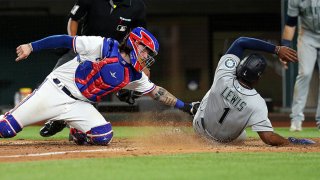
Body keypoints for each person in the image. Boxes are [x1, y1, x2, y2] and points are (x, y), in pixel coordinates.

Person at [0, 27, 197, 145]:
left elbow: (157, 93)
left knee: (103, 136)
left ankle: (76, 129)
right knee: (6, 129)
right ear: (136, 44)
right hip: (56, 90)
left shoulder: (134, 75)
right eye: (146, 52)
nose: (147, 58)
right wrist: (31, 47)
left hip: (79, 104)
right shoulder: (103, 46)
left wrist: (187, 107)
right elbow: (65, 40)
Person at [40, 0, 149, 137]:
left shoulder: (137, 6)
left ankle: (81, 128)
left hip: (111, 56)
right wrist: (73, 43)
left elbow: (140, 38)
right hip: (85, 49)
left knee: (92, 93)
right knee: (56, 76)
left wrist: (141, 65)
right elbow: (73, 19)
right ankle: (57, 119)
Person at [192, 37, 315, 146]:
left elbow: (241, 42)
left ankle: (196, 107)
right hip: (222, 142)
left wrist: (277, 49)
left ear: (240, 67)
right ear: (258, 79)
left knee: (213, 90)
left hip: (199, 127)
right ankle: (198, 108)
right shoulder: (258, 103)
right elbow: (269, 138)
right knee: (243, 134)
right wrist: (289, 142)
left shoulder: (224, 75)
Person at [281, 0, 320, 131]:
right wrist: (285, 48)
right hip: (307, 36)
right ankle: (296, 119)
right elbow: (290, 24)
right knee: (305, 73)